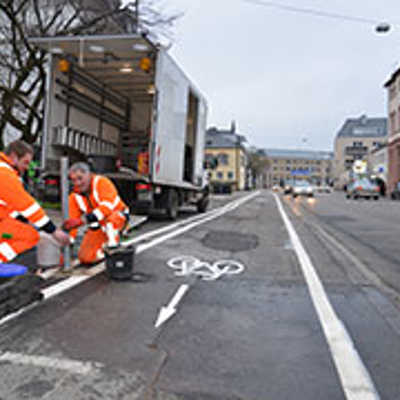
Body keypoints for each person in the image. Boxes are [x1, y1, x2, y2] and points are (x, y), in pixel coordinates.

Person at [0, 140, 70, 264]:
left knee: (16, 231)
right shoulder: (5, 175)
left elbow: (8, 207)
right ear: (14, 157)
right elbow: (28, 207)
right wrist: (53, 231)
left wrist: (25, 221)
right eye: (25, 163)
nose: (27, 168)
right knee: (30, 236)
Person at [63, 162, 129, 264]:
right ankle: (103, 250)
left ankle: (113, 248)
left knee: (110, 223)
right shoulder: (74, 197)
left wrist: (84, 220)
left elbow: (107, 207)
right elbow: (72, 221)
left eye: (80, 178)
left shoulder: (102, 182)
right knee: (86, 258)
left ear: (89, 175)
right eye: (74, 180)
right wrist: (68, 241)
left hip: (117, 217)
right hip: (97, 224)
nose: (78, 183)